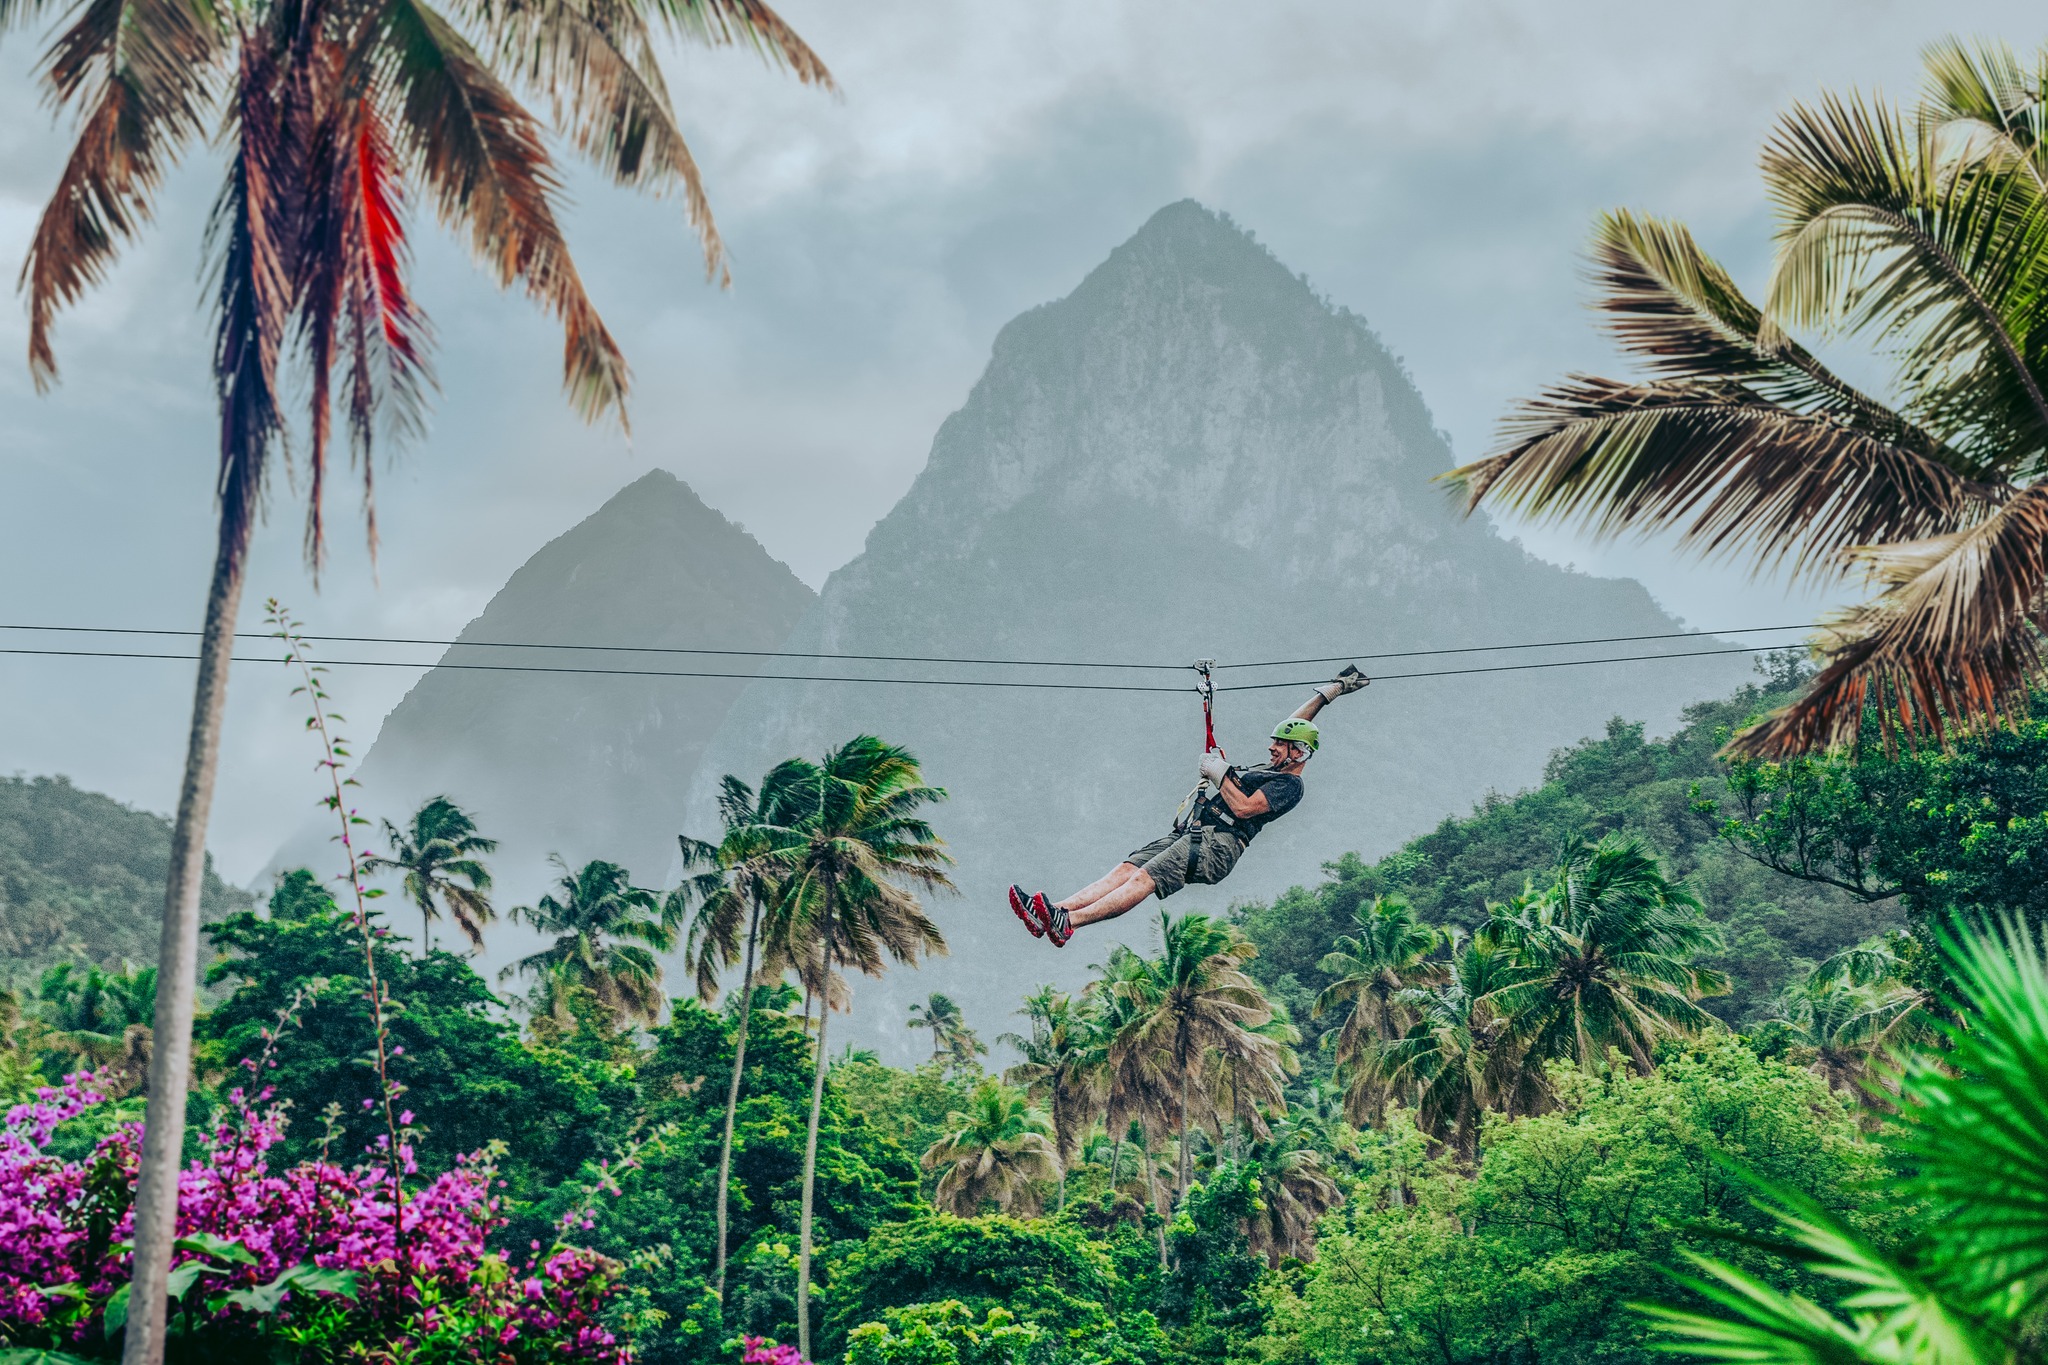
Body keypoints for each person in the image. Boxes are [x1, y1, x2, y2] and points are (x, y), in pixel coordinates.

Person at [1010, 666, 1368, 946]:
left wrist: (1219, 773)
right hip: (1198, 831)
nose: (1272, 748)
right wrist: (1330, 692)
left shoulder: (1290, 785)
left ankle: (1069, 923)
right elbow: (1298, 724)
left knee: (1143, 879)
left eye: (1280, 745)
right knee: (1126, 868)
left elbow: (1244, 809)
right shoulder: (1275, 764)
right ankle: (1056, 911)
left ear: (1298, 752)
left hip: (1218, 845)